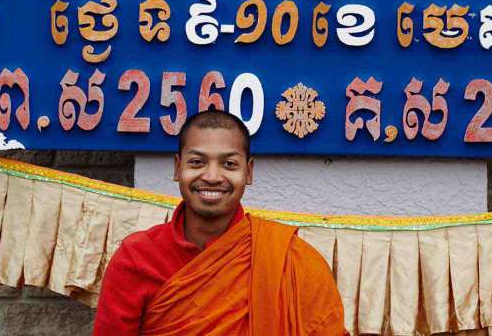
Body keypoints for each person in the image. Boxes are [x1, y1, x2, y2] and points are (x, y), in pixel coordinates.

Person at [93, 110, 347, 336]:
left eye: (229, 164)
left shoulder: (290, 260)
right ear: (177, 168)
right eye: (197, 162)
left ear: (248, 172)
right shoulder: (137, 258)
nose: (212, 176)